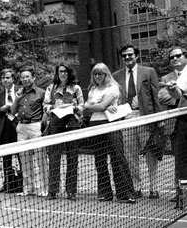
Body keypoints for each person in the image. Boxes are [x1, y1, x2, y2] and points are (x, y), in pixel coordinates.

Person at [112, 44, 164, 199]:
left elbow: (156, 97)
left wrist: (159, 119)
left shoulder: (149, 72)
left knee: (150, 153)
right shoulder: (116, 76)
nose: (127, 58)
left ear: (136, 55)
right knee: (130, 155)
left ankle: (153, 187)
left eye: (130, 55)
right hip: (126, 119)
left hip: (145, 117)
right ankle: (137, 186)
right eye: (124, 56)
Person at [78, 63, 136, 203]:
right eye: (95, 74)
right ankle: (105, 192)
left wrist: (89, 106)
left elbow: (99, 106)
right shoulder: (92, 89)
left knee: (117, 157)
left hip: (111, 124)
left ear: (106, 74)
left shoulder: (113, 88)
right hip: (95, 125)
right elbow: (98, 106)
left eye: (100, 74)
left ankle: (125, 193)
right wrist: (98, 106)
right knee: (99, 159)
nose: (97, 76)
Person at [42, 63, 84, 200]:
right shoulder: (51, 88)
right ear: (57, 73)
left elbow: (82, 105)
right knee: (54, 157)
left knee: (73, 157)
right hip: (56, 124)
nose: (63, 74)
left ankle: (71, 191)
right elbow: (45, 105)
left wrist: (75, 108)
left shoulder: (76, 88)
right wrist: (52, 108)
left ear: (69, 73)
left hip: (72, 124)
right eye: (61, 71)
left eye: (65, 71)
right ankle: (52, 190)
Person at [11, 67, 47, 197]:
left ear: (33, 78)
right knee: (24, 159)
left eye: (27, 77)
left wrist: (41, 126)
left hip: (35, 126)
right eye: (23, 77)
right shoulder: (19, 93)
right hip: (22, 127)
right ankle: (28, 189)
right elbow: (13, 111)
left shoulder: (41, 93)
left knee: (39, 158)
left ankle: (42, 188)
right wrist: (17, 98)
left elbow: (45, 111)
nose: (25, 79)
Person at [159, 47, 187, 201]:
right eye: (172, 57)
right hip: (178, 124)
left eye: (178, 56)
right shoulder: (166, 78)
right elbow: (163, 98)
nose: (175, 59)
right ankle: (181, 194)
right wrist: (177, 93)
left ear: (185, 56)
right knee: (180, 162)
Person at [0, 69, 22, 193]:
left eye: (8, 77)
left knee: (21, 156)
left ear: (13, 79)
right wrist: (2, 109)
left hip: (18, 127)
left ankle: (22, 183)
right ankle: (8, 184)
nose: (5, 80)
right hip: (5, 129)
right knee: (6, 158)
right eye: (3, 78)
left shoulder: (20, 90)